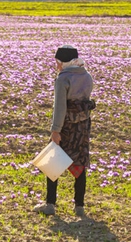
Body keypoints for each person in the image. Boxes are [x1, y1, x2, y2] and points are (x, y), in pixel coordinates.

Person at [33, 46, 95, 218]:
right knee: (80, 162)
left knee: (53, 162)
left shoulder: (63, 79)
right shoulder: (87, 76)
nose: (57, 66)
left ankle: (50, 204)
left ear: (63, 62)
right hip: (82, 127)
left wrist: (55, 130)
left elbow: (60, 108)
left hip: (66, 126)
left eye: (57, 62)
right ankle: (79, 207)